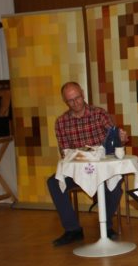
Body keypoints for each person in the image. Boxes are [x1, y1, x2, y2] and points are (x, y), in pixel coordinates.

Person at [47, 81, 128, 246]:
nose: (76, 103)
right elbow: (64, 152)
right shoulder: (61, 122)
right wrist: (79, 154)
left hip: (102, 167)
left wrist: (121, 138)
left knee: (115, 184)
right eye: (71, 100)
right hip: (78, 169)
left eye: (77, 98)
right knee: (54, 182)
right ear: (65, 101)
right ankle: (73, 229)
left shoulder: (99, 114)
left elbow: (114, 139)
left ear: (82, 94)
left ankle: (106, 225)